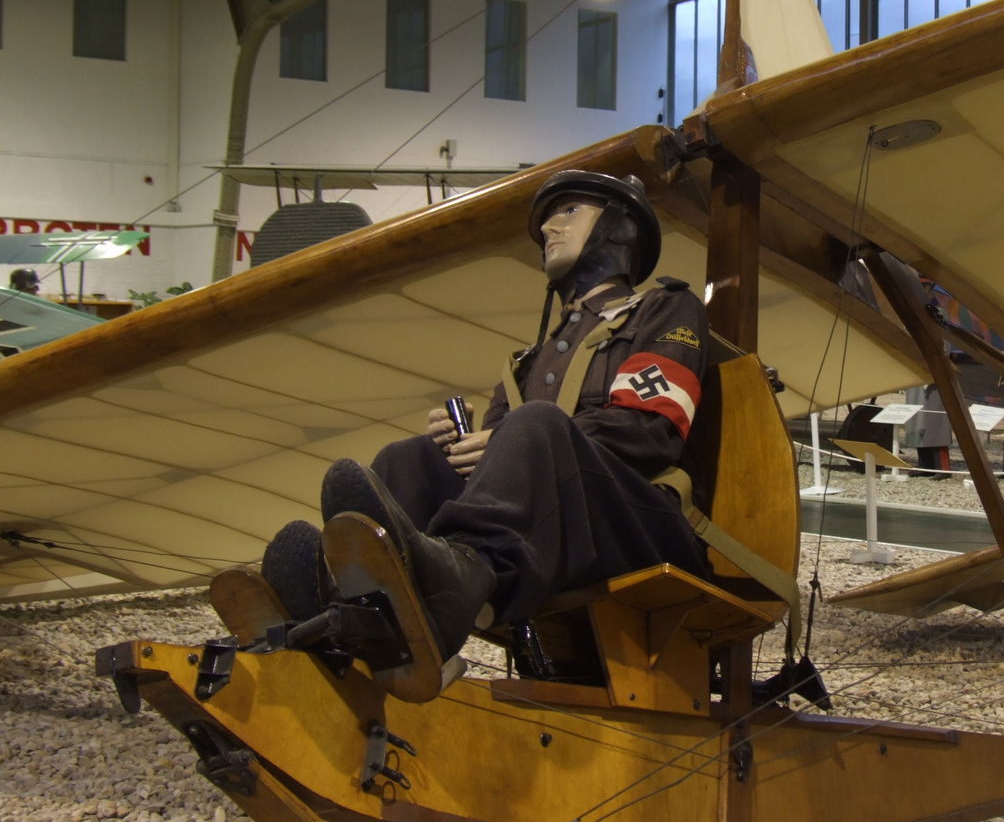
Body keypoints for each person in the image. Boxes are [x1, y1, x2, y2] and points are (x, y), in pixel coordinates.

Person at [251, 169, 712, 701]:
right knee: (411, 457)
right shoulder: (526, 363)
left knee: (533, 424)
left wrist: (517, 437)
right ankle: (353, 610)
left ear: (621, 229)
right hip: (556, 525)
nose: (547, 229)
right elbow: (505, 462)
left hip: (639, 523)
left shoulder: (665, 309)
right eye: (547, 219)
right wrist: (463, 445)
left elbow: (647, 431)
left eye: (568, 212)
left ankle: (460, 579)